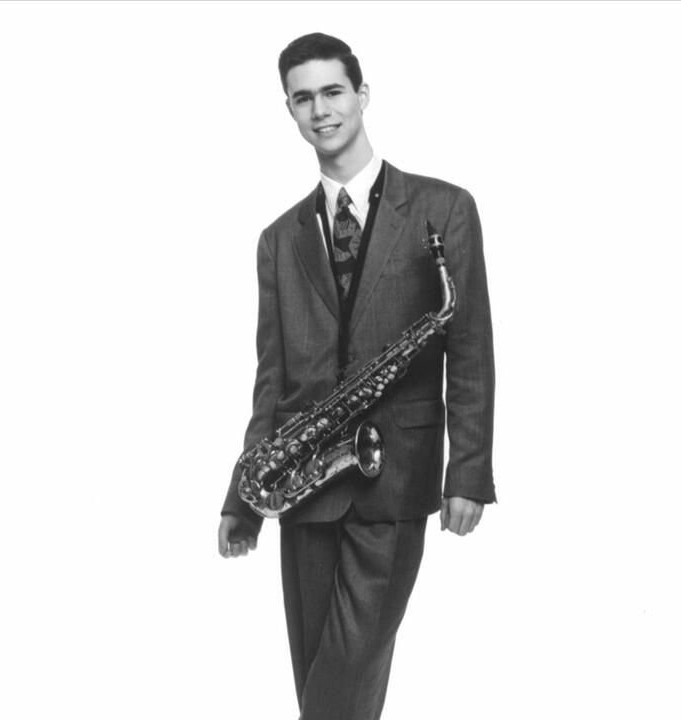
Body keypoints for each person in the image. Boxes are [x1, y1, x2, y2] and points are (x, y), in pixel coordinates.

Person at [218, 32, 496, 720]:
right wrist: (243, 498)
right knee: (321, 681)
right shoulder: (278, 239)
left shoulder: (444, 207)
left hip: (395, 477)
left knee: (342, 679)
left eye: (333, 91)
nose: (321, 110)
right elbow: (271, 378)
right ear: (289, 109)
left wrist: (467, 472)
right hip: (302, 486)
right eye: (303, 98)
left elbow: (470, 347)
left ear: (363, 95)